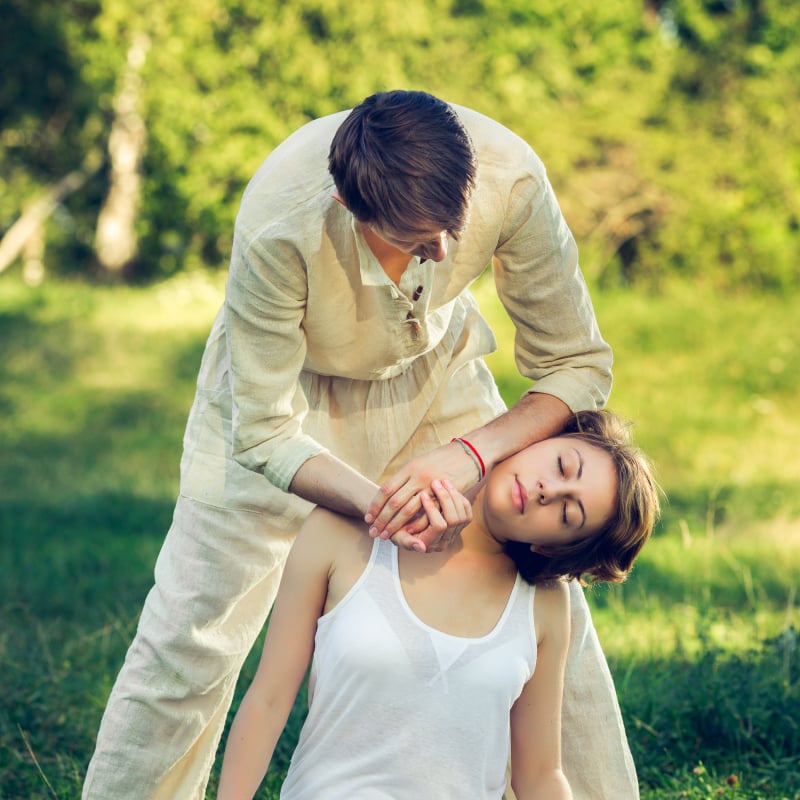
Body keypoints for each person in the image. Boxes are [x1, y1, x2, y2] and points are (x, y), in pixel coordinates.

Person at [83, 89, 622, 799]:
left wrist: (469, 455)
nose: (442, 254)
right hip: (279, 393)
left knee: (546, 606)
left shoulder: (510, 176)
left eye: (450, 229)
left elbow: (580, 365)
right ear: (346, 202)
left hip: (432, 377)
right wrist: (386, 506)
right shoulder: (281, 218)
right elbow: (266, 431)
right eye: (416, 240)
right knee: (190, 636)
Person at [215, 411, 660, 800]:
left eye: (568, 514)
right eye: (563, 465)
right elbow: (268, 701)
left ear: (553, 548)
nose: (550, 490)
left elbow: (540, 777)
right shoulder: (341, 528)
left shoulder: (543, 606)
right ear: (533, 438)